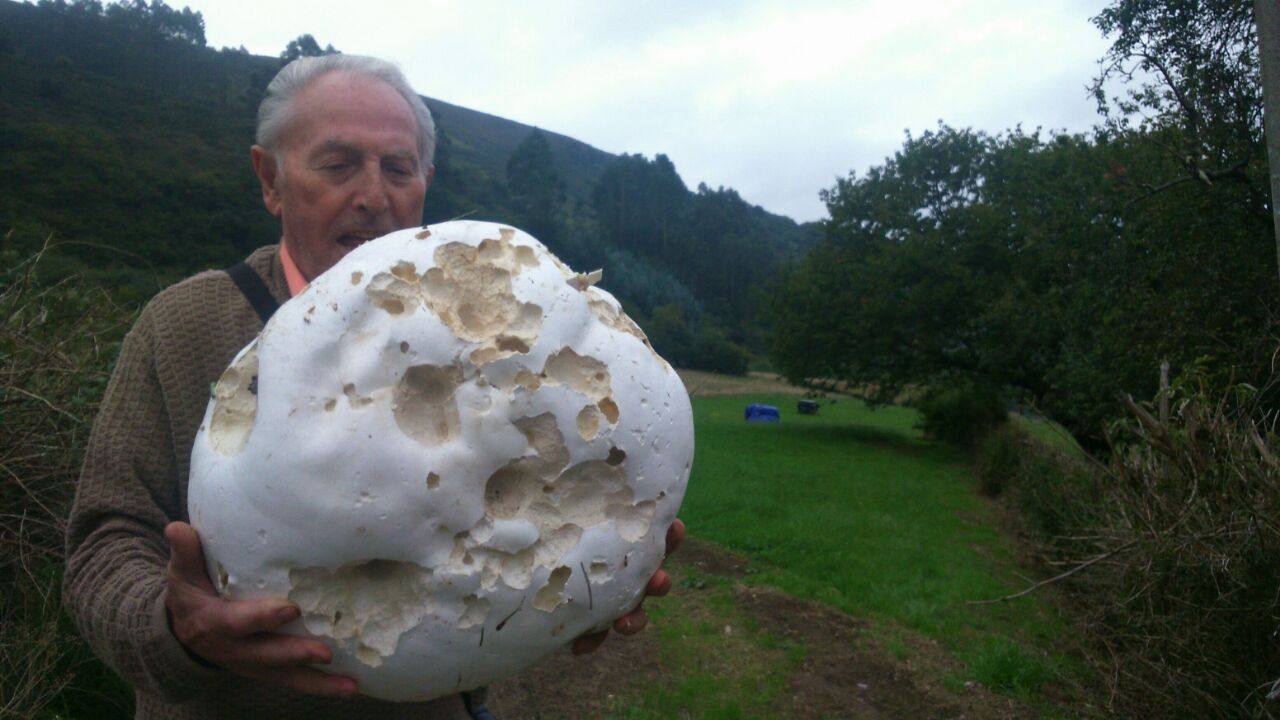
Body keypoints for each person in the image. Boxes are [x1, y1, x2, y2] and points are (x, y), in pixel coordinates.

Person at [64, 54, 684, 720]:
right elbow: (102, 545)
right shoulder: (185, 324)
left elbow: (516, 542)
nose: (372, 194)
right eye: (337, 165)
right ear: (270, 179)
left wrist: (589, 584)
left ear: (426, 181)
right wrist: (175, 631)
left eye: (397, 167)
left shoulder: (508, 335)